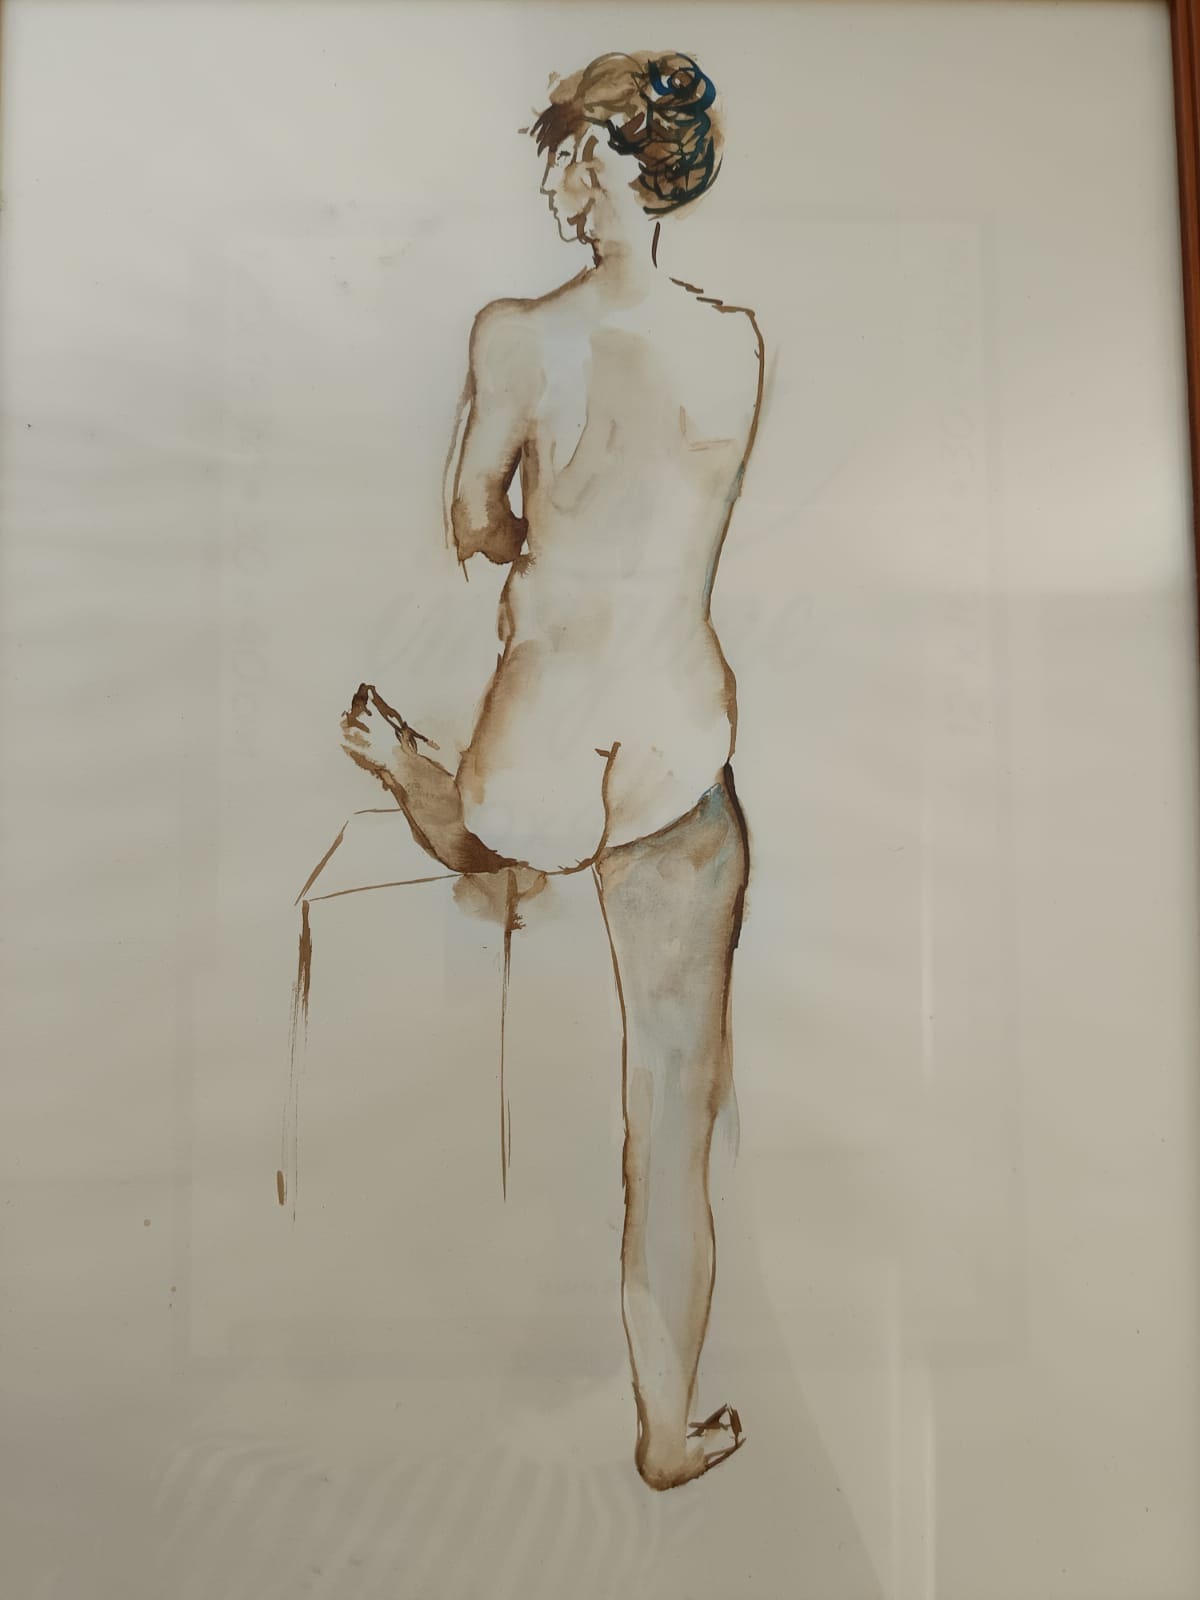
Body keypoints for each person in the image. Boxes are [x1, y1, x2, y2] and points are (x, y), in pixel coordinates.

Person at [339, 50, 764, 1491]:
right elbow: (685, 520)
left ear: (603, 167)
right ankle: (667, 1430)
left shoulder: (516, 336)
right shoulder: (739, 343)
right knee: (672, 1115)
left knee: (496, 825)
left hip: (540, 740)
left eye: (570, 150)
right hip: (674, 743)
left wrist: (542, 542)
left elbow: (473, 520)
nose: (553, 175)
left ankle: (429, 788)